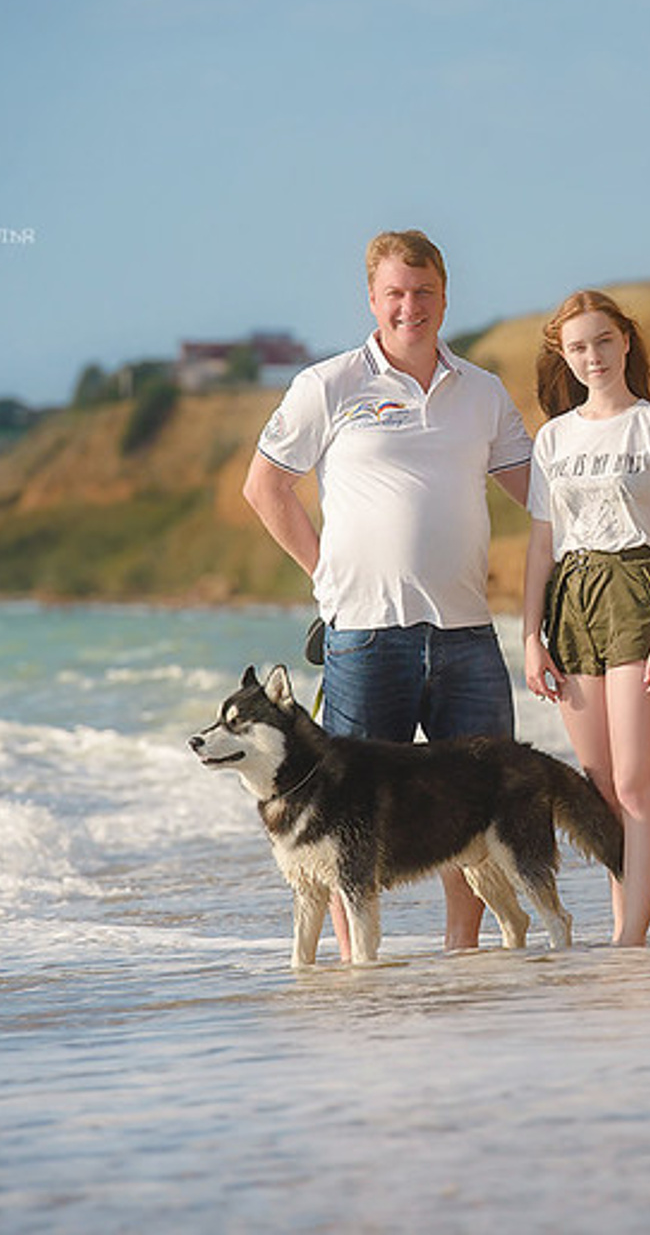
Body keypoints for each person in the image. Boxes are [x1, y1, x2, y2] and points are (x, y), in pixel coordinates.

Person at [243, 228, 532, 957]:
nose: (411, 307)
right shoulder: (328, 384)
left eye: (424, 292)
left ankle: (462, 960)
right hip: (366, 637)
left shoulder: (484, 392)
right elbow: (266, 487)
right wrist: (324, 573)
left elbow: (544, 495)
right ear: (372, 299)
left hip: (467, 635)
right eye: (396, 294)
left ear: (444, 296)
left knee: (473, 809)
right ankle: (355, 972)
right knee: (346, 821)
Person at [522, 291, 650, 946]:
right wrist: (531, 636)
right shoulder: (554, 437)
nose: (592, 357)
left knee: (634, 780)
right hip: (572, 599)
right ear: (563, 357)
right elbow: (542, 544)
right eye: (577, 347)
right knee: (598, 789)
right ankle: (623, 923)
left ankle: (633, 940)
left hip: (635, 591)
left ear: (626, 340)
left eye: (602, 341)